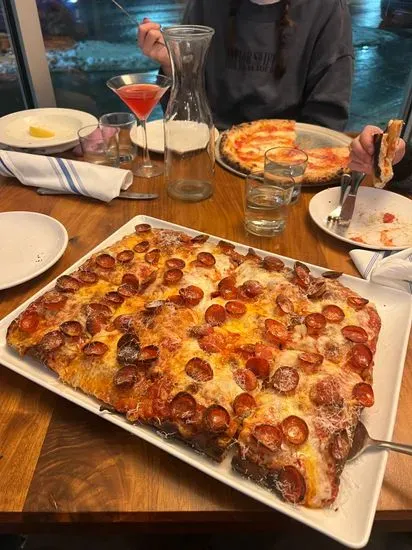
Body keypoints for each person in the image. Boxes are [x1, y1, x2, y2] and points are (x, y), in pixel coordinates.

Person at [138, 0, 354, 131]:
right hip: (208, 153)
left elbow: (326, 122)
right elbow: (185, 118)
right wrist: (173, 66)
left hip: (289, 163)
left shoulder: (327, 9)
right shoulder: (204, 6)